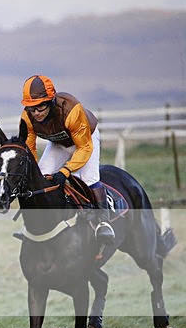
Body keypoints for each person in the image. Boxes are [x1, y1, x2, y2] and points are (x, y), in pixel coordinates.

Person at [20, 75, 115, 244]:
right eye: (31, 108)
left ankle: (104, 223)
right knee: (41, 176)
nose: (36, 113)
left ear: (50, 101)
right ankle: (41, 223)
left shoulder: (71, 110)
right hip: (58, 142)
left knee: (89, 178)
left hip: (86, 140)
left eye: (40, 107)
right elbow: (30, 148)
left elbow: (84, 148)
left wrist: (65, 171)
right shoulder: (28, 117)